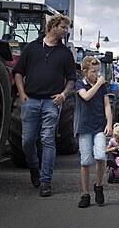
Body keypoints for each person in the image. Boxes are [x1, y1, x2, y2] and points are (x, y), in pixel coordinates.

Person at [13, 14, 77, 197]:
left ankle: (46, 181)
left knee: (48, 140)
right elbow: (18, 72)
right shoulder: (32, 48)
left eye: (67, 28)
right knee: (27, 141)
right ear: (53, 26)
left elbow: (72, 79)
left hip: (52, 102)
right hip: (30, 100)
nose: (66, 31)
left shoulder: (65, 53)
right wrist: (22, 93)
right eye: (63, 27)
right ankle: (34, 167)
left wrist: (64, 95)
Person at [75, 56, 112, 208]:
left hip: (98, 126)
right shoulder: (80, 84)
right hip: (84, 127)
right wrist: (98, 83)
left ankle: (98, 185)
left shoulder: (102, 86)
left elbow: (107, 105)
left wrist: (109, 123)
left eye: (98, 71)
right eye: (93, 71)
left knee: (101, 156)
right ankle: (85, 193)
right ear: (85, 71)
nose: (97, 74)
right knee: (85, 161)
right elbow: (86, 96)